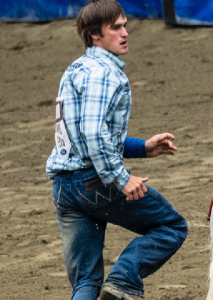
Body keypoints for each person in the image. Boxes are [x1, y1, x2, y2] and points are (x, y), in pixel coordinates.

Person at [45, 1, 188, 299]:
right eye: (116, 28)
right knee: (171, 226)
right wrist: (121, 178)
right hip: (94, 182)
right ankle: (123, 282)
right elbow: (94, 133)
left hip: (63, 187)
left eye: (125, 25)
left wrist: (143, 148)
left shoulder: (75, 70)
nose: (125, 33)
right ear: (95, 34)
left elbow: (83, 137)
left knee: (85, 280)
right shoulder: (105, 74)